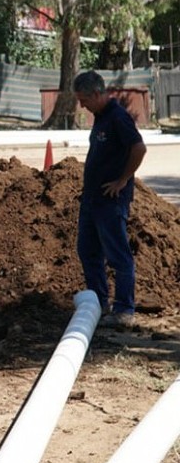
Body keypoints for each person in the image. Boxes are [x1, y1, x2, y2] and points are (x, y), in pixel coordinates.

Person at [73, 71, 147, 329]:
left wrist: (123, 180)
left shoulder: (118, 117)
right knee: (88, 250)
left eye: (84, 99)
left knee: (118, 254)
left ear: (97, 93)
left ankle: (124, 309)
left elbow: (139, 148)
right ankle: (98, 303)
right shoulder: (101, 118)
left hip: (110, 200)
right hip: (92, 200)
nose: (82, 105)